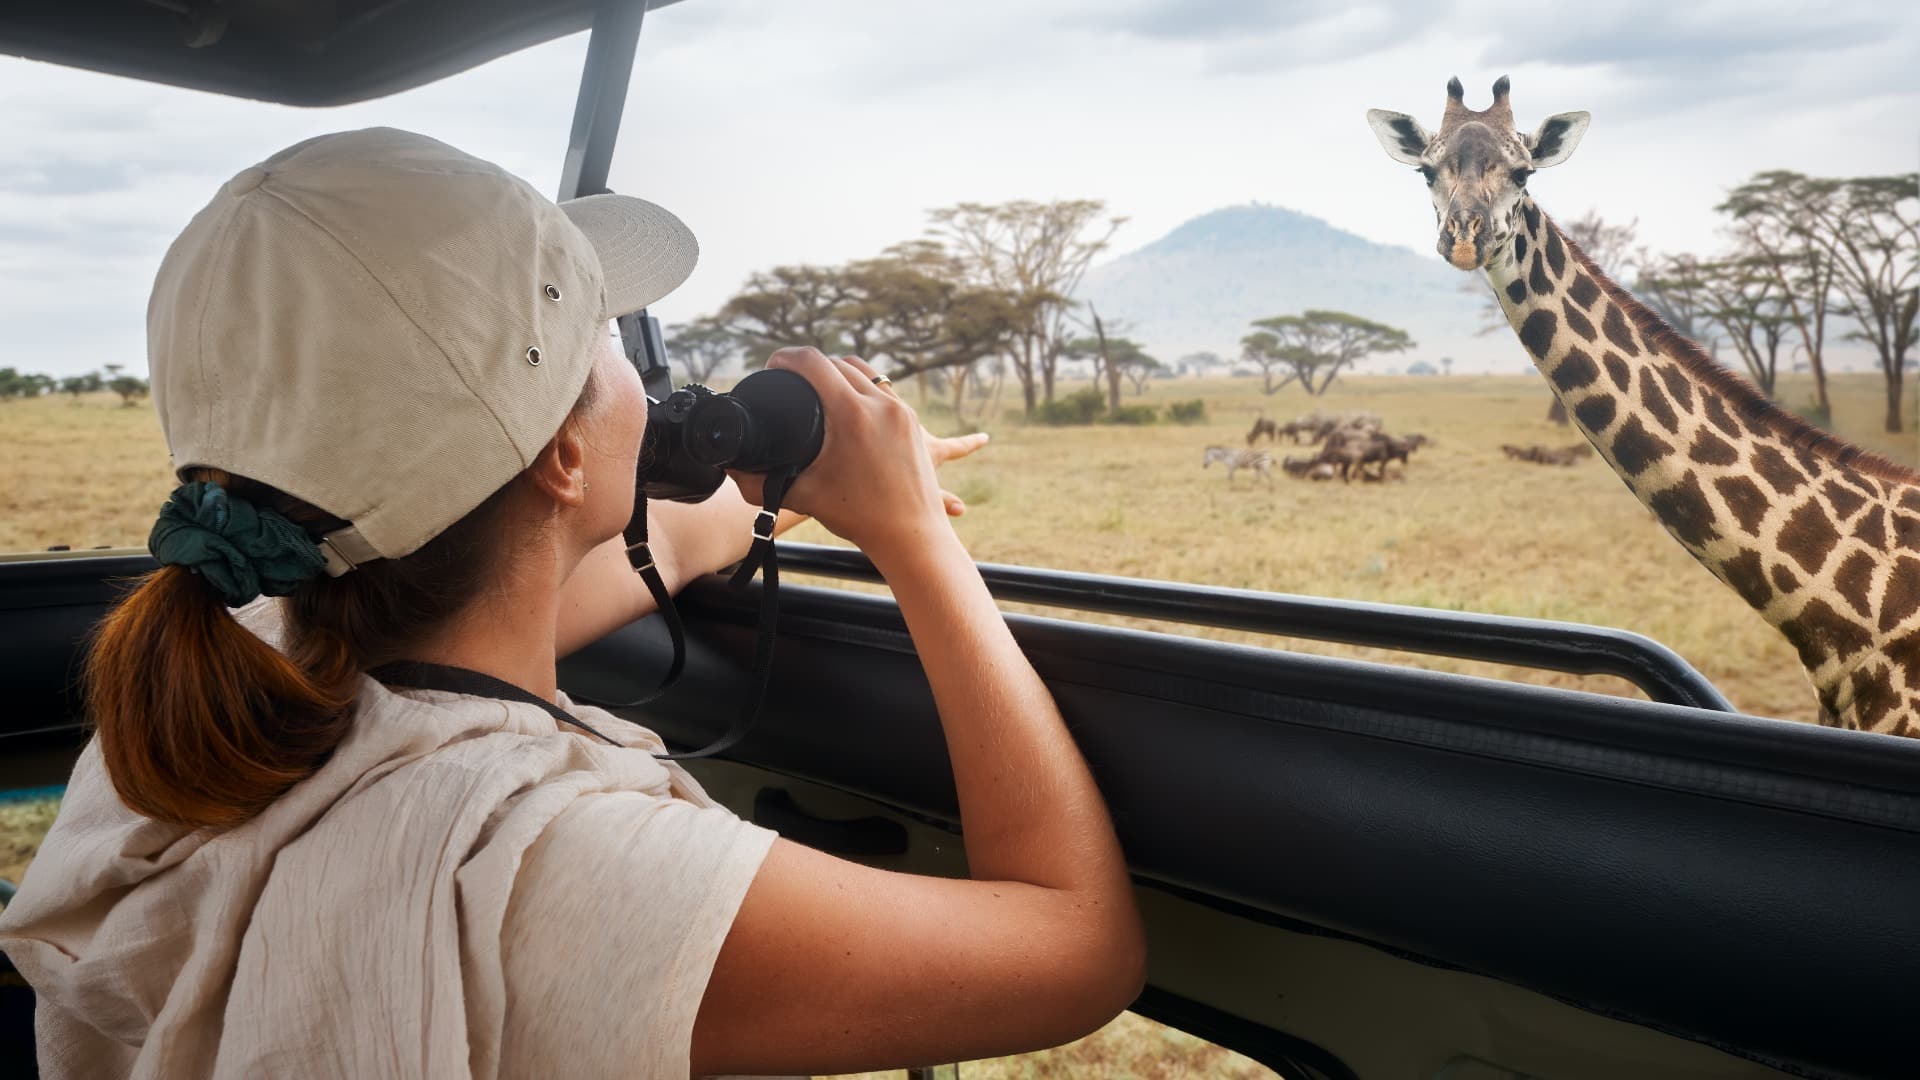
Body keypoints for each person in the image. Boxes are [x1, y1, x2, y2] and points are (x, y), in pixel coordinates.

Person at [0, 128, 1144, 1077]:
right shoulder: (549, 865)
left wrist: (786, 490)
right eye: (604, 337)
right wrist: (911, 543)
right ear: (559, 457)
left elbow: (585, 561)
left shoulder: (226, 674)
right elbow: (1081, 952)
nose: (637, 370)